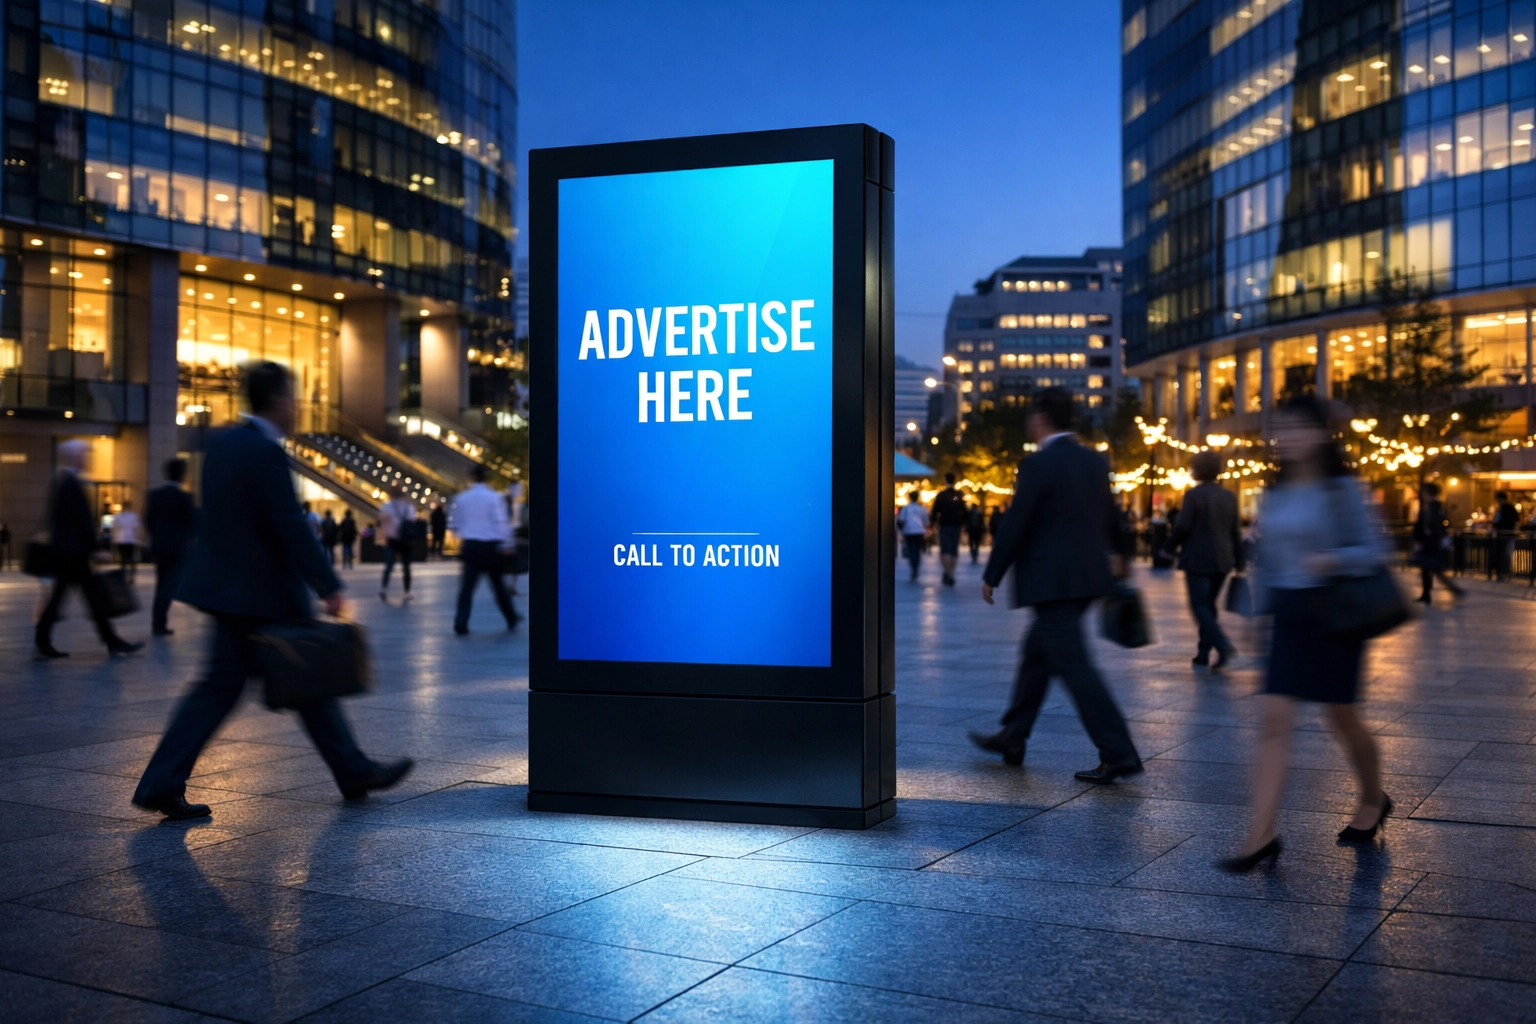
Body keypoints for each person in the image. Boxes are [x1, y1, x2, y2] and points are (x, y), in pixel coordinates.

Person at [133, 361, 412, 820]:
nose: (296, 407)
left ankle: (162, 782)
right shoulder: (264, 451)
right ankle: (352, 770)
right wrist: (328, 585)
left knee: (241, 687)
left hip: (228, 590)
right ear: (278, 399)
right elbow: (288, 524)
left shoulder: (222, 444)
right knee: (298, 677)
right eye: (292, 397)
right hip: (260, 592)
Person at [1219, 397, 1392, 872]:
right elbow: (1268, 560)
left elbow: (1375, 550)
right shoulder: (1275, 492)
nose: (1287, 437)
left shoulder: (1341, 489)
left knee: (1342, 718)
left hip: (1335, 613)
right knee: (1274, 719)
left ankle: (1373, 797)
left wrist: (1332, 559)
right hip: (1289, 614)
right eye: (1283, 428)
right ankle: (1261, 834)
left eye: (1297, 427)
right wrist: (1256, 616)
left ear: (1319, 434)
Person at [968, 388, 1142, 782]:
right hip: (1088, 577)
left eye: (1032, 416)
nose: (1030, 423)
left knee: (1075, 666)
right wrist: (1122, 557)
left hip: (1051, 580)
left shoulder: (1038, 463)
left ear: (1043, 418)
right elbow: (1111, 514)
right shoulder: (1093, 460)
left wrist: (992, 573)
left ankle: (1119, 752)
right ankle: (1013, 736)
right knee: (1037, 654)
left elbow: (1017, 521)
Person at [35, 442, 143, 658]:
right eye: (83, 455)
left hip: (68, 553)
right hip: (73, 554)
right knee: (92, 597)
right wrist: (96, 548)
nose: (86, 458)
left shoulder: (65, 481)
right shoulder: (70, 484)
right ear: (74, 457)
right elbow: (79, 522)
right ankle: (110, 640)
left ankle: (43, 640)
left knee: (74, 598)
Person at [1162, 449, 1245, 671]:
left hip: (1198, 558)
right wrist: (1240, 560)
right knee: (1209, 605)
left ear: (1198, 469)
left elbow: (1182, 526)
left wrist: (1168, 548)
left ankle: (1221, 644)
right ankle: (1203, 652)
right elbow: (1235, 531)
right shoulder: (1229, 496)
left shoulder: (1193, 495)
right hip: (1223, 559)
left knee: (1199, 605)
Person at [450, 465, 522, 635]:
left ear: (472, 477)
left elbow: (454, 525)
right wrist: (507, 543)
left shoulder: (462, 498)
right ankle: (511, 617)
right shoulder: (495, 497)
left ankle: (461, 621)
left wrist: (468, 532)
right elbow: (501, 522)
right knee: (498, 586)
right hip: (490, 547)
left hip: (471, 546)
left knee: (467, 588)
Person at [146, 458, 197, 636]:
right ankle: (160, 624)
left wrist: (157, 537)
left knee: (160, 585)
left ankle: (158, 623)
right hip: (177, 549)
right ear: (182, 475)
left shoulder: (154, 495)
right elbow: (192, 523)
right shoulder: (185, 497)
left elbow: (148, 520)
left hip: (160, 547)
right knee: (169, 586)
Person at [1412, 481, 1462, 604]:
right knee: (1431, 569)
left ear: (1427, 493)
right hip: (1433, 543)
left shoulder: (1431, 507)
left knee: (1432, 569)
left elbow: (1431, 526)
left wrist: (1422, 539)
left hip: (1431, 544)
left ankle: (1453, 591)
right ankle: (1427, 593)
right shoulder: (1436, 507)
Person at [378, 486, 416, 602]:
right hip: (405, 540)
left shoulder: (387, 506)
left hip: (392, 539)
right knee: (406, 567)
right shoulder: (408, 507)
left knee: (388, 566)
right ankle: (407, 592)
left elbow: (381, 520)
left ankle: (384, 589)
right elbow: (413, 520)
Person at [931, 473, 969, 586]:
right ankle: (951, 573)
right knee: (953, 550)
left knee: (944, 550)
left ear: (945, 480)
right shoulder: (959, 495)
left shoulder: (941, 495)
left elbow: (935, 511)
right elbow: (965, 511)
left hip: (944, 524)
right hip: (956, 525)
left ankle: (948, 573)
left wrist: (932, 523)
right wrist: (964, 523)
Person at [896, 490, 930, 582]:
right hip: (919, 531)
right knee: (917, 550)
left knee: (911, 550)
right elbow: (926, 521)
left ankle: (913, 567)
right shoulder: (921, 508)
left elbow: (901, 520)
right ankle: (916, 567)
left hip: (908, 531)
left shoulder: (905, 509)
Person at [111, 500, 142, 583]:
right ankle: (130, 576)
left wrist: (114, 538)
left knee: (124, 558)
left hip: (123, 539)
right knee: (130, 558)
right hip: (129, 539)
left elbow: (114, 528)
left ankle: (125, 576)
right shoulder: (133, 516)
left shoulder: (119, 516)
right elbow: (137, 528)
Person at [1491, 489, 1519, 580]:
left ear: (1500, 499)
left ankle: (1502, 573)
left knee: (1502, 554)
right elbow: (1516, 520)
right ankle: (1505, 573)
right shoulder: (1509, 508)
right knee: (1505, 554)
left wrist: (1495, 525)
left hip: (1503, 535)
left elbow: (1503, 522)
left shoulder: (1505, 508)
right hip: (1507, 535)